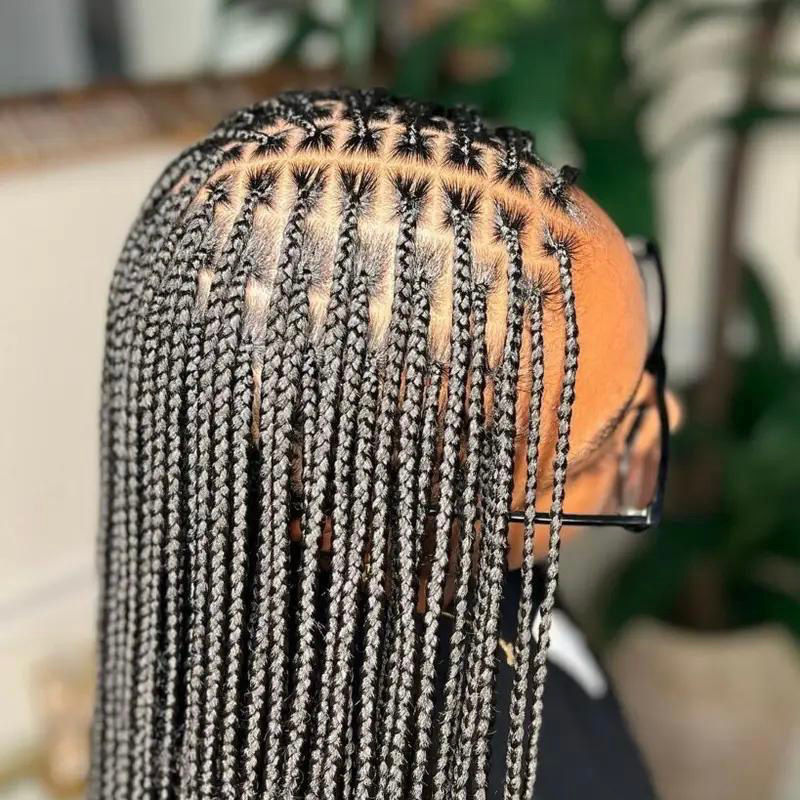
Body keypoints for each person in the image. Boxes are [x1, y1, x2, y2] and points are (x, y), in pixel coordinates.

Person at [90, 88, 680, 800]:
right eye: (595, 452)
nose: (672, 413)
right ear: (386, 516)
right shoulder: (526, 763)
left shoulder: (458, 577)